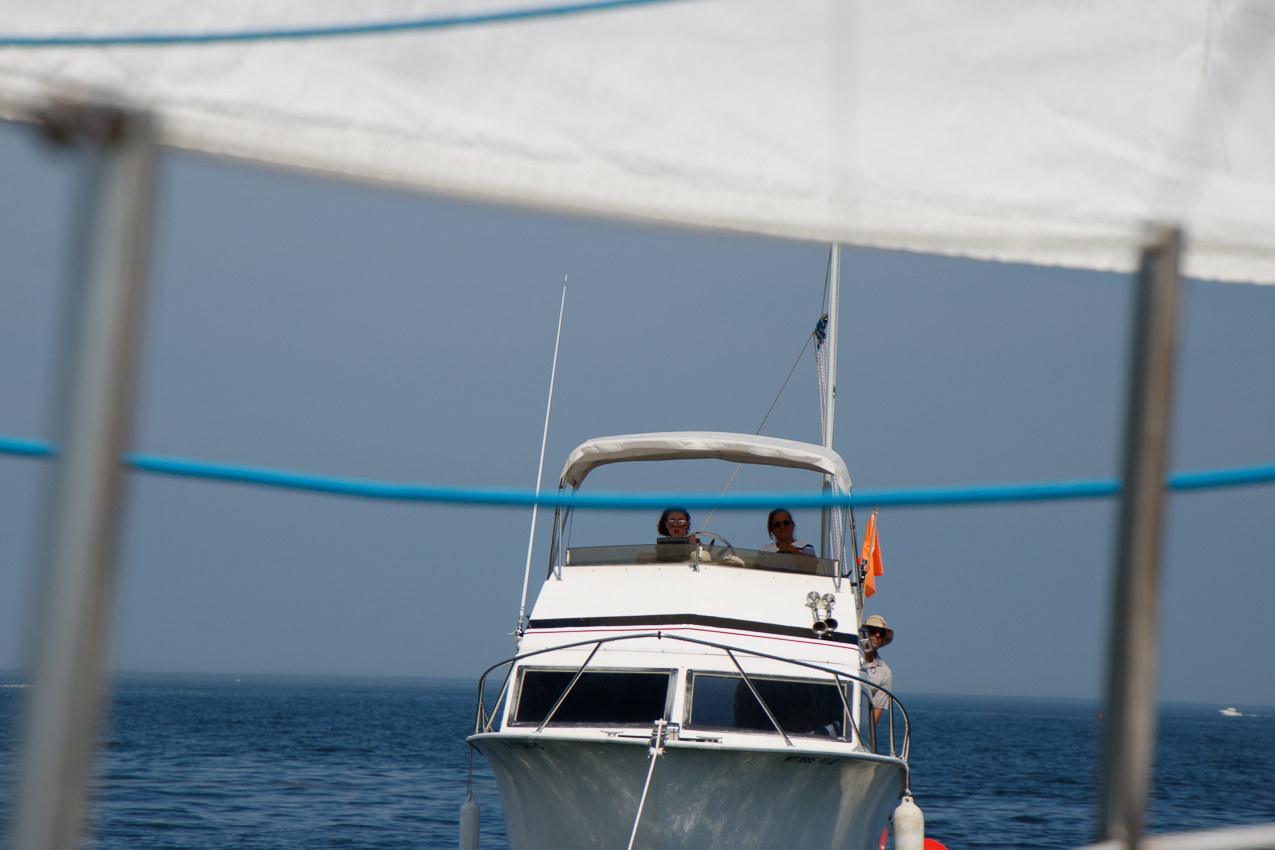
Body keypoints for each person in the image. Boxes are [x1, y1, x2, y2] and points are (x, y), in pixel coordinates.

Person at [861, 614, 894, 726]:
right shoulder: (846, 656)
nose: (878, 635)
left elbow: (877, 709)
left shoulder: (885, 672)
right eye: (873, 631)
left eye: (882, 633)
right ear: (863, 633)